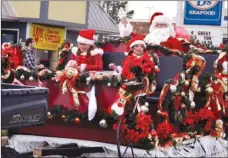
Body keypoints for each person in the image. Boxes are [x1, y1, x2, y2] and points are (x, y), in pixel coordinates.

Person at [109, 36, 160, 118]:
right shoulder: (129, 59)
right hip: (130, 82)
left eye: (141, 46)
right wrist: (117, 69)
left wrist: (152, 68)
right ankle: (120, 108)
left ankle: (137, 114)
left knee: (129, 88)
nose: (139, 48)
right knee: (126, 85)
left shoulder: (147, 58)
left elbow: (150, 71)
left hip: (142, 82)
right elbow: (124, 73)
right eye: (137, 46)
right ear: (132, 48)